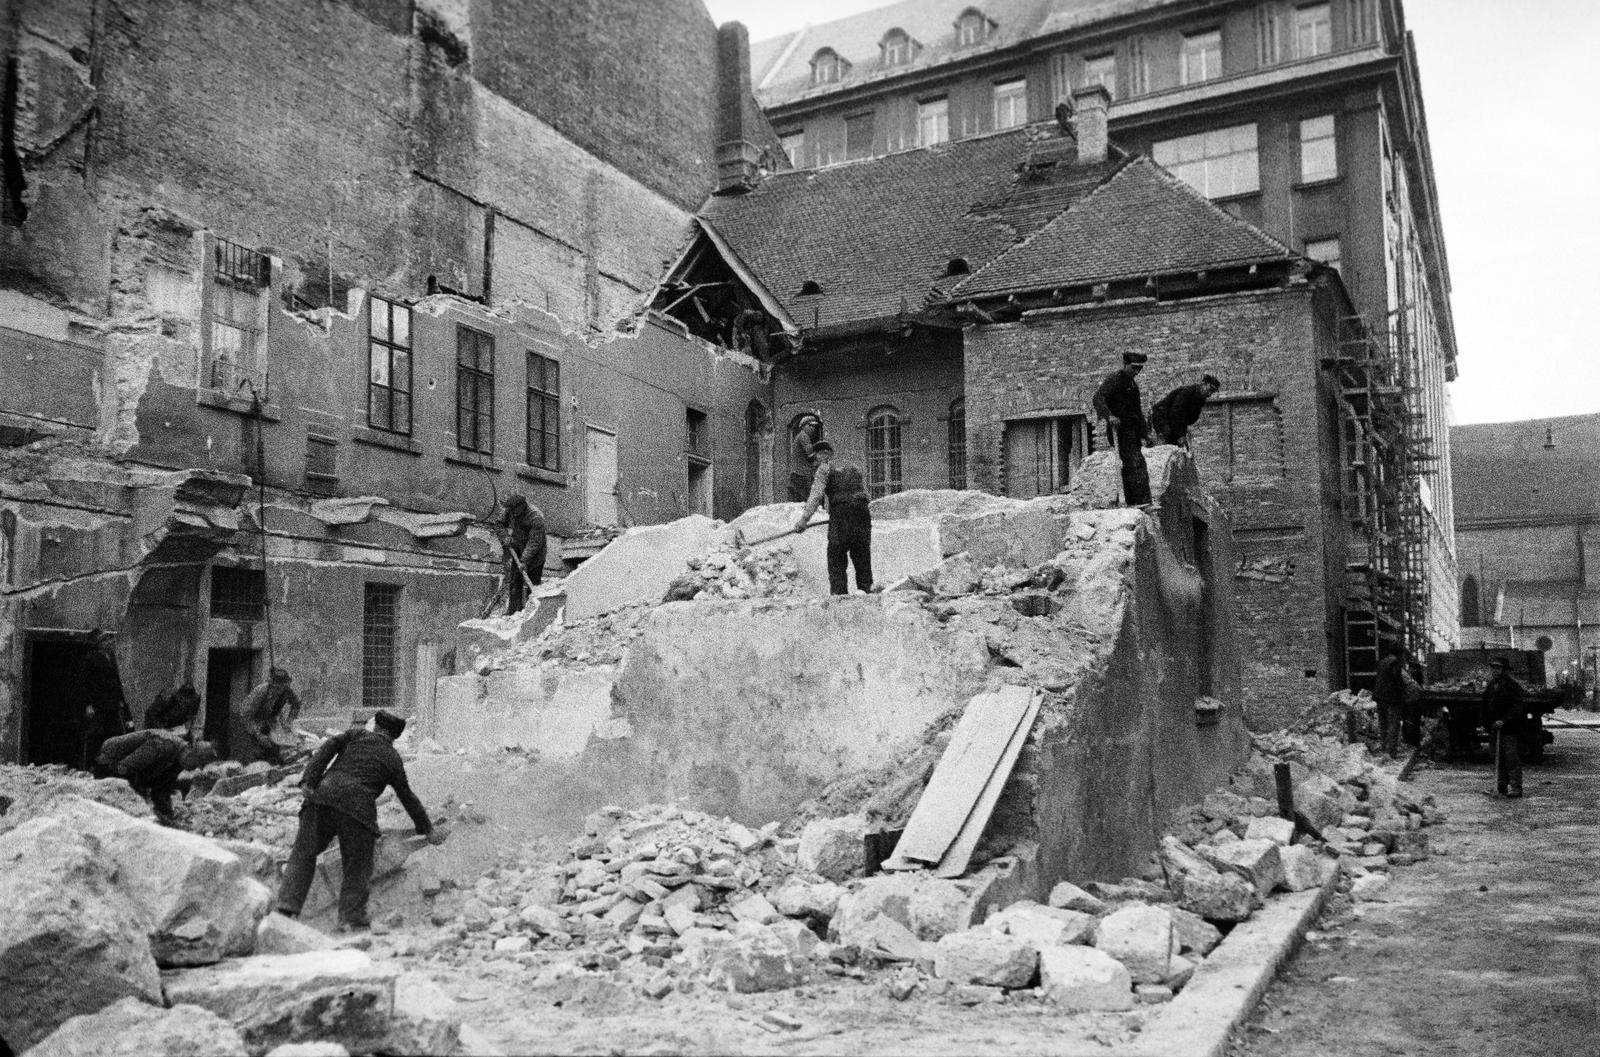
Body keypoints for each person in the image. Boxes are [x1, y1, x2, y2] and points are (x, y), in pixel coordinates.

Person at [276, 710, 437, 930]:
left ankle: (286, 907)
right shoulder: (392, 758)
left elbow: (327, 747)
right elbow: (407, 797)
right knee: (357, 866)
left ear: (376, 727)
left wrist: (309, 780)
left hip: (322, 797)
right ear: (394, 736)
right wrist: (427, 829)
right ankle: (350, 918)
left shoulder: (355, 735)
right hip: (357, 810)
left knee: (303, 854)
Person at [794, 441, 874, 595]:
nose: (814, 463)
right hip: (863, 515)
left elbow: (816, 495)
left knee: (836, 557)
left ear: (824, 455)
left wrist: (804, 520)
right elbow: (866, 496)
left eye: (815, 459)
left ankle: (839, 598)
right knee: (862, 556)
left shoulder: (824, 469)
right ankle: (867, 593)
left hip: (841, 515)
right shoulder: (854, 469)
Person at [96, 729, 217, 823]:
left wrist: (168, 816)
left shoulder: (178, 762)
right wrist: (140, 800)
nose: (193, 769)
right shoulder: (162, 744)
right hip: (110, 760)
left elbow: (161, 790)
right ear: (189, 752)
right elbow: (125, 768)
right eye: (195, 763)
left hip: (127, 771)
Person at [1092, 352, 1152, 506]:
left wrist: (1146, 434)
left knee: (1132, 463)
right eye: (1134, 368)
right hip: (1119, 431)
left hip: (1133, 431)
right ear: (1125, 365)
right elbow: (1098, 398)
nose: (1136, 372)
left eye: (1140, 369)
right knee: (1135, 461)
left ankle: (1131, 500)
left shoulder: (1133, 385)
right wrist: (1109, 416)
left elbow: (1137, 411)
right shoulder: (1115, 379)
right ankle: (1140, 501)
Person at [81, 630, 132, 771]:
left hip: (112, 703)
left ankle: (110, 767)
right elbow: (85, 682)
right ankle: (89, 765)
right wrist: (88, 704)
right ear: (99, 643)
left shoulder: (111, 657)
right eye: (105, 641)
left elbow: (116, 680)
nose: (109, 643)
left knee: (114, 734)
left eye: (109, 640)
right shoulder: (91, 657)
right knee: (94, 735)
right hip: (98, 704)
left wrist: (121, 700)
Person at [237, 667, 303, 765]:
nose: (279, 690)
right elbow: (245, 715)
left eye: (282, 687)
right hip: (252, 721)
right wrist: (258, 734)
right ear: (272, 684)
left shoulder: (287, 691)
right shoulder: (260, 691)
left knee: (275, 749)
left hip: (270, 720)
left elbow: (296, 704)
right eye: (277, 687)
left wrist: (289, 722)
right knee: (255, 753)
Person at [1482, 657, 1528, 798]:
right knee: (1497, 757)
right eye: (1494, 668)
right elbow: (1485, 704)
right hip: (1495, 728)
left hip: (1510, 729)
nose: (1495, 671)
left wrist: (1505, 721)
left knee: (1511, 758)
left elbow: (1517, 707)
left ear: (1505, 670)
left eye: (1498, 668)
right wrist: (1486, 722)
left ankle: (1516, 787)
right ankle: (1501, 786)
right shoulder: (1491, 685)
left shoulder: (1512, 686)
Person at [498, 493, 548, 615]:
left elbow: (534, 543)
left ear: (522, 506)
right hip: (518, 549)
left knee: (533, 586)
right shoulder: (510, 510)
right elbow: (499, 524)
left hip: (535, 555)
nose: (512, 513)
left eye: (514, 510)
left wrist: (524, 561)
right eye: (510, 510)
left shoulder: (535, 517)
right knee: (515, 584)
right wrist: (505, 537)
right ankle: (513, 614)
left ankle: (532, 615)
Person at [1151, 374, 1221, 447]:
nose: (1209, 394)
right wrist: (1180, 435)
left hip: (1173, 419)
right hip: (1161, 414)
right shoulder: (1187, 392)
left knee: (1178, 444)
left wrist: (1182, 434)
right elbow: (1175, 413)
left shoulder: (1200, 400)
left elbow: (1187, 420)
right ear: (1203, 384)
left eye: (1212, 392)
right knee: (1166, 434)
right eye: (1209, 389)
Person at [1372, 645, 1405, 759]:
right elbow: (1397, 679)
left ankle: (1384, 748)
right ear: (1399, 653)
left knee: (1383, 724)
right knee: (1393, 725)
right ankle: (1392, 752)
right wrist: (1402, 692)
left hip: (1379, 697)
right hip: (1391, 698)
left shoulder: (1382, 662)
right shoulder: (1395, 662)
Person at [787, 413, 823, 502]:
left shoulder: (800, 436)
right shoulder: (803, 436)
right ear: (803, 426)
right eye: (810, 425)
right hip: (801, 475)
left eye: (814, 426)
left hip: (798, 474)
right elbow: (811, 454)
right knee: (805, 502)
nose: (813, 428)